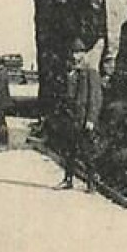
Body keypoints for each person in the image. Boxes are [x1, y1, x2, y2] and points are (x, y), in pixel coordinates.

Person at [56, 35, 104, 191]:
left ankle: (91, 182)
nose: (75, 56)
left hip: (84, 119)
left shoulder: (91, 72)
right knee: (69, 151)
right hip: (72, 118)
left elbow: (95, 98)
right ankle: (68, 179)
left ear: (84, 53)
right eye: (73, 52)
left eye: (78, 52)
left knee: (87, 151)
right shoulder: (72, 71)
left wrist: (91, 119)